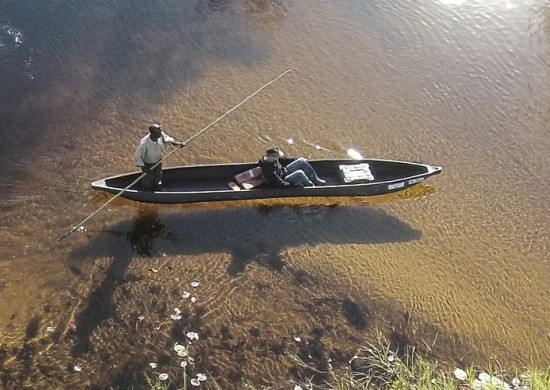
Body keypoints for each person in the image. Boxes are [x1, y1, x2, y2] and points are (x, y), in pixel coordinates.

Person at [134, 123, 184, 191]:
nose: (161, 133)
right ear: (153, 133)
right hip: (147, 163)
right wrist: (144, 167)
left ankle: (157, 187)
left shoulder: (160, 134)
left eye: (160, 131)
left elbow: (167, 140)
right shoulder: (144, 143)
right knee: (147, 177)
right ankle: (146, 190)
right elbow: (138, 155)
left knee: (158, 175)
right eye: (159, 132)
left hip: (157, 160)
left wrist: (177, 144)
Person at [258, 147, 326, 188]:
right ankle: (311, 186)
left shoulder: (273, 159)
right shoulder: (269, 170)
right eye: (277, 157)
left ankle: (316, 180)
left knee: (301, 161)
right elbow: (280, 183)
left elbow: (284, 160)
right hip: (283, 179)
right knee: (300, 173)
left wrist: (296, 160)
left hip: (284, 171)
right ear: (272, 157)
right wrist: (293, 185)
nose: (278, 158)